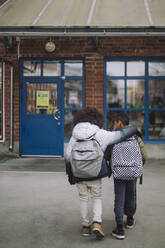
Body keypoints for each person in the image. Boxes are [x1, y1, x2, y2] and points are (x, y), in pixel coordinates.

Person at [64, 108, 138, 240]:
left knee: (83, 198)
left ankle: (85, 227)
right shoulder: (99, 133)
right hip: (95, 172)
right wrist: (134, 129)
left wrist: (70, 174)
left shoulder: (74, 135)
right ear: (97, 120)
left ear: (79, 119)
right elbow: (119, 136)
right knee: (96, 197)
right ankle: (96, 223)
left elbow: (68, 156)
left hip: (78, 173)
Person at [108, 112, 146, 240]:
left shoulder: (115, 136)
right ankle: (130, 219)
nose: (114, 125)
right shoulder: (135, 134)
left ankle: (119, 227)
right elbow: (144, 154)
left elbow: (108, 153)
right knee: (131, 194)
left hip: (118, 172)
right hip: (132, 171)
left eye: (115, 122)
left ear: (119, 122)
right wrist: (138, 166)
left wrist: (109, 165)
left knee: (119, 198)